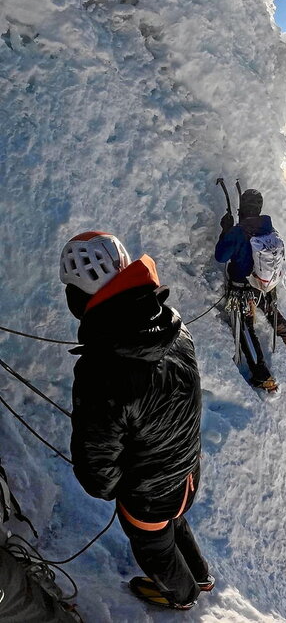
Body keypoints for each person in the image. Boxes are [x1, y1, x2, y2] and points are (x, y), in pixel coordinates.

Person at [59, 231, 213, 611]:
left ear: (81, 299)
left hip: (147, 493)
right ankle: (201, 574)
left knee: (153, 545)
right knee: (174, 523)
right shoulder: (172, 328)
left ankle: (183, 594)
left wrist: (112, 488)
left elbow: (98, 471)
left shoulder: (102, 372)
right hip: (186, 470)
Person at [214, 189, 286, 392]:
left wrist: (225, 230)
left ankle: (262, 375)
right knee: (268, 308)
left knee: (245, 329)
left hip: (241, 291)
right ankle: (284, 332)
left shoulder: (238, 232)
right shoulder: (268, 228)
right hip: (263, 287)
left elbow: (221, 256)